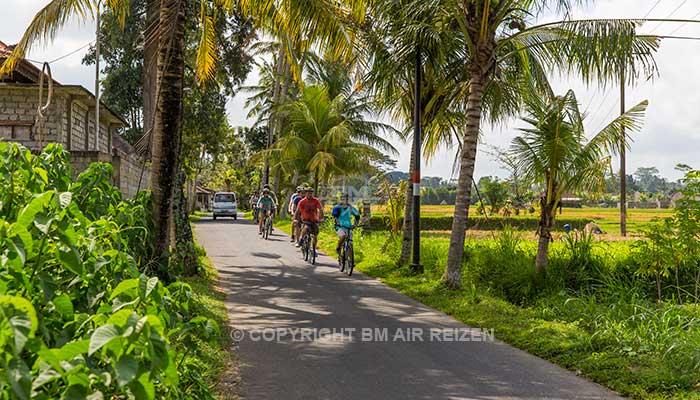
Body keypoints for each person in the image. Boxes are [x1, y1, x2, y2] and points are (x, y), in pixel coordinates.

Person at [294, 188, 324, 254]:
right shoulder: (302, 201)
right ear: (306, 194)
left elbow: (320, 209)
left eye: (311, 193)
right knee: (306, 228)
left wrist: (321, 218)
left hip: (314, 220)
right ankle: (301, 239)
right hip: (305, 219)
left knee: (315, 235)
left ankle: (314, 249)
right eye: (308, 193)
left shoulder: (316, 201)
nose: (310, 194)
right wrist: (295, 219)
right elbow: (297, 211)